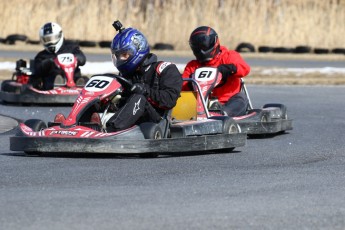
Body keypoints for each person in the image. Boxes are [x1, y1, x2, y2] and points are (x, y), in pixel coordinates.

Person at [105, 22, 182, 132]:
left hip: (156, 123)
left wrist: (145, 91)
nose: (120, 59)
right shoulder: (125, 75)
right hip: (127, 119)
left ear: (138, 49)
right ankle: (84, 127)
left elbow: (169, 100)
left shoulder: (165, 69)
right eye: (118, 56)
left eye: (124, 55)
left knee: (139, 98)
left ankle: (110, 131)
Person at [181, 26, 251, 117]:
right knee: (183, 99)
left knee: (241, 99)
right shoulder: (193, 66)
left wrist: (229, 69)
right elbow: (183, 87)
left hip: (228, 102)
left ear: (214, 42)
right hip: (202, 104)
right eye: (198, 48)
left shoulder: (229, 56)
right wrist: (191, 83)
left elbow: (245, 68)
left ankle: (222, 115)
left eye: (204, 46)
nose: (201, 51)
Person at [33, 22, 86, 90]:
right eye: (47, 39)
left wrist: (75, 58)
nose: (51, 42)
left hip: (74, 78)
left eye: (53, 38)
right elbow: (38, 69)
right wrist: (50, 62)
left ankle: (80, 84)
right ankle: (58, 84)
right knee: (51, 79)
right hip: (52, 82)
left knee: (86, 80)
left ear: (60, 35)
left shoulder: (71, 48)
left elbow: (82, 59)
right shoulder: (42, 55)